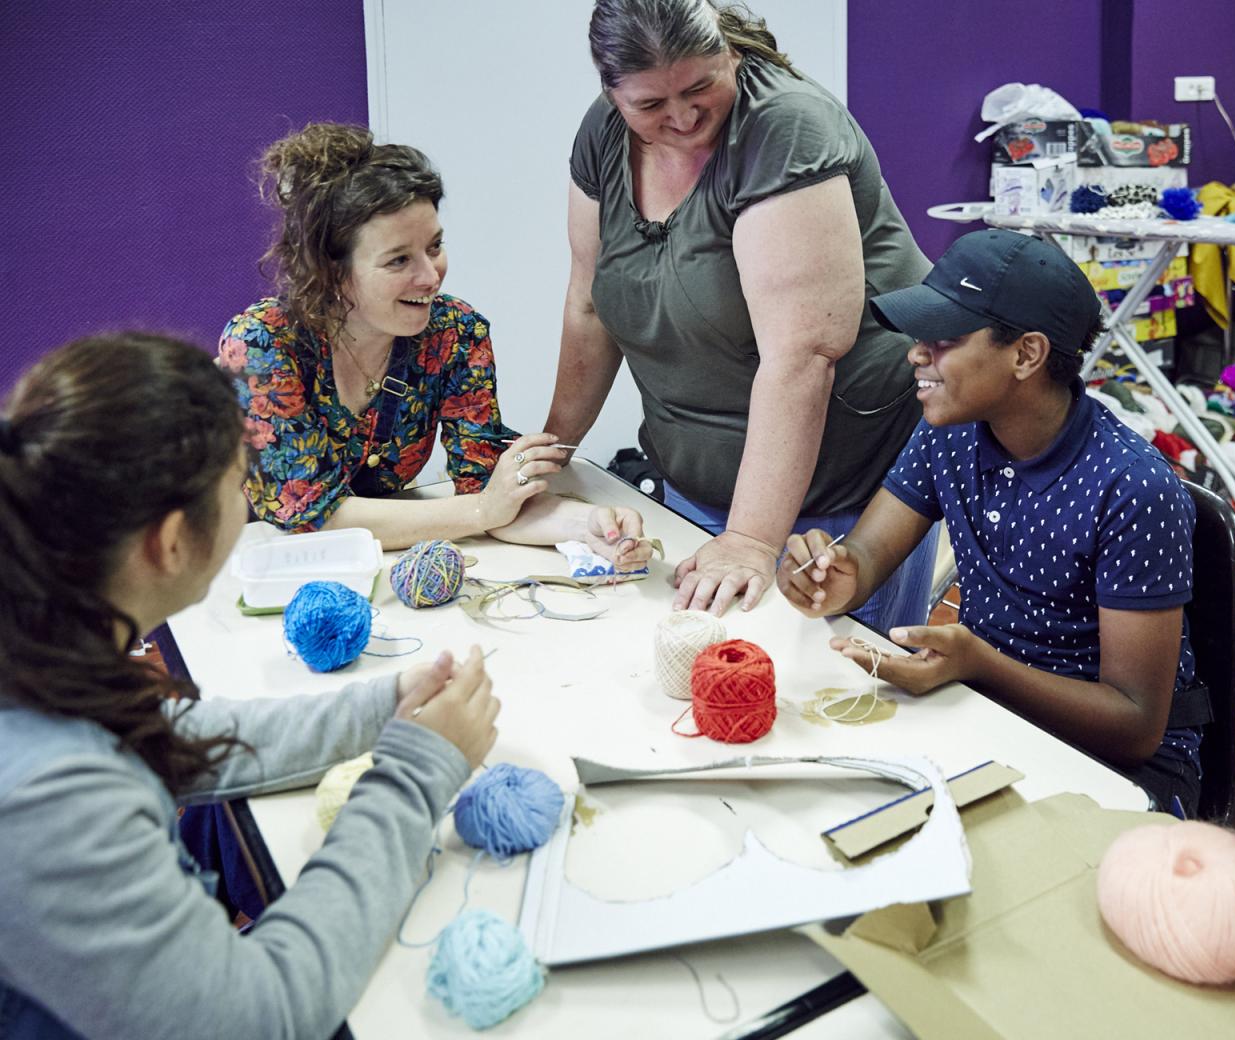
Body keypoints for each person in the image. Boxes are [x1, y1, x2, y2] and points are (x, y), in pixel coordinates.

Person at [0, 333, 499, 1038]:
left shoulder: (42, 639)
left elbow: (165, 740)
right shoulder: (51, 799)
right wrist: (417, 774)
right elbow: (260, 1016)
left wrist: (387, 708)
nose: (249, 504)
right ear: (170, 542)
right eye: (239, 484)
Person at [777, 229, 1212, 816]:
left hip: (1117, 768)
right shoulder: (949, 432)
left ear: (1026, 354)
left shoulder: (1132, 488)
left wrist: (981, 666)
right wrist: (830, 572)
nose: (915, 353)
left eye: (944, 339)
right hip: (985, 710)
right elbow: (868, 556)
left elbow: (1134, 726)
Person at [545, 0, 937, 620]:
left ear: (729, 52)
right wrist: (550, 453)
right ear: (613, 94)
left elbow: (802, 355)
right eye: (650, 105)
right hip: (696, 480)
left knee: (831, 697)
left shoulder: (784, 125)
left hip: (841, 487)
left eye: (702, 85)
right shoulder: (606, 132)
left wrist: (752, 540)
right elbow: (591, 304)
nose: (681, 115)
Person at [221, 122, 650, 570]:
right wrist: (481, 510)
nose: (430, 276)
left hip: (383, 569)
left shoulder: (455, 334)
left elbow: (489, 489)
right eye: (399, 260)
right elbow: (308, 519)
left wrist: (591, 525)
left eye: (435, 246)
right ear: (331, 270)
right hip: (261, 571)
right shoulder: (262, 344)